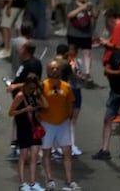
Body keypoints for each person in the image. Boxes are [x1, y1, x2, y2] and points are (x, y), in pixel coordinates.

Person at [40, 60, 80, 191]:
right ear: (48, 70)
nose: (55, 70)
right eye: (52, 68)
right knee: (46, 152)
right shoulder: (43, 86)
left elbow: (71, 103)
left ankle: (69, 180)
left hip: (63, 124)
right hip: (47, 123)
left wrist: (68, 118)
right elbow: (38, 103)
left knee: (67, 152)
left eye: (57, 68)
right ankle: (49, 180)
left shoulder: (66, 86)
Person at [9, 73, 48, 191]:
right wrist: (25, 109)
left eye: (33, 87)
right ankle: (22, 183)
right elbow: (11, 112)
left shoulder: (34, 95)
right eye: (30, 87)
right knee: (23, 155)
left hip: (34, 127)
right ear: (26, 85)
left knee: (34, 156)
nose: (32, 90)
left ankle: (32, 182)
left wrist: (39, 94)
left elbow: (46, 105)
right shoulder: (20, 95)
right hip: (23, 127)